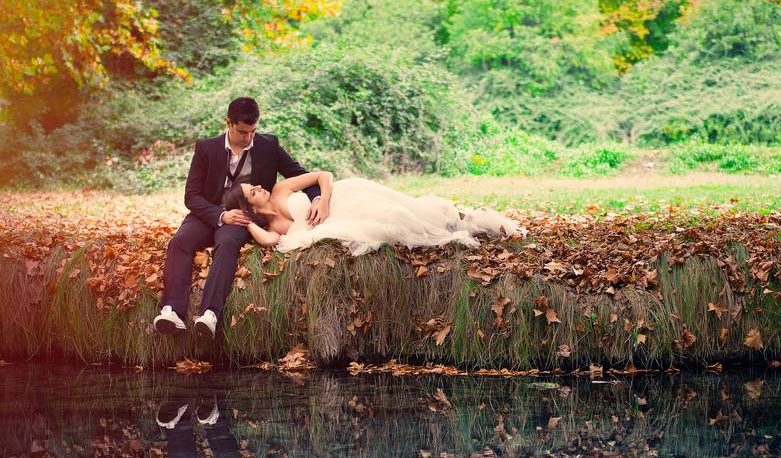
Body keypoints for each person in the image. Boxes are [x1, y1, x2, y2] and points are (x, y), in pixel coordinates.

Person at [154, 97, 331, 338]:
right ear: (228, 123)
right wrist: (220, 214)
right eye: (242, 132)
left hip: (242, 216)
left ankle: (210, 315)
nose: (248, 138)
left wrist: (317, 200)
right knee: (179, 242)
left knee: (226, 244)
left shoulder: (268, 146)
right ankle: (172, 311)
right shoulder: (206, 148)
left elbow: (300, 174)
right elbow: (192, 196)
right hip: (209, 212)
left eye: (252, 132)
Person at [223, 176, 524, 256]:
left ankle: (475, 220)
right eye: (252, 191)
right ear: (249, 207)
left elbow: (323, 175)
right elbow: (268, 242)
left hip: (343, 198)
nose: (259, 187)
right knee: (391, 221)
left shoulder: (279, 189)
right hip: (344, 220)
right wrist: (246, 223)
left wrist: (323, 201)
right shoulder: (272, 225)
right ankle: (465, 225)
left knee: (410, 210)